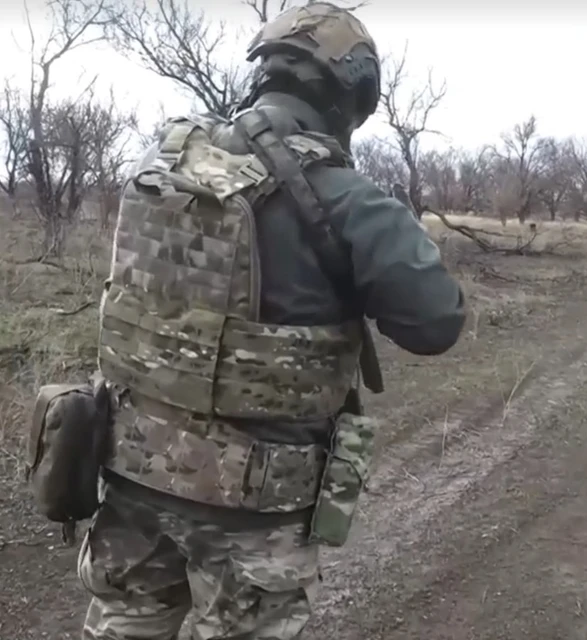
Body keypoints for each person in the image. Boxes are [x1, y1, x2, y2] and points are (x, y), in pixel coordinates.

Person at [77, 3, 466, 638]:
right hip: (254, 504)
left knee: (122, 626)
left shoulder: (168, 159)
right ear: (352, 95)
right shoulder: (349, 199)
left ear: (264, 77)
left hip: (133, 472)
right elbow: (436, 324)